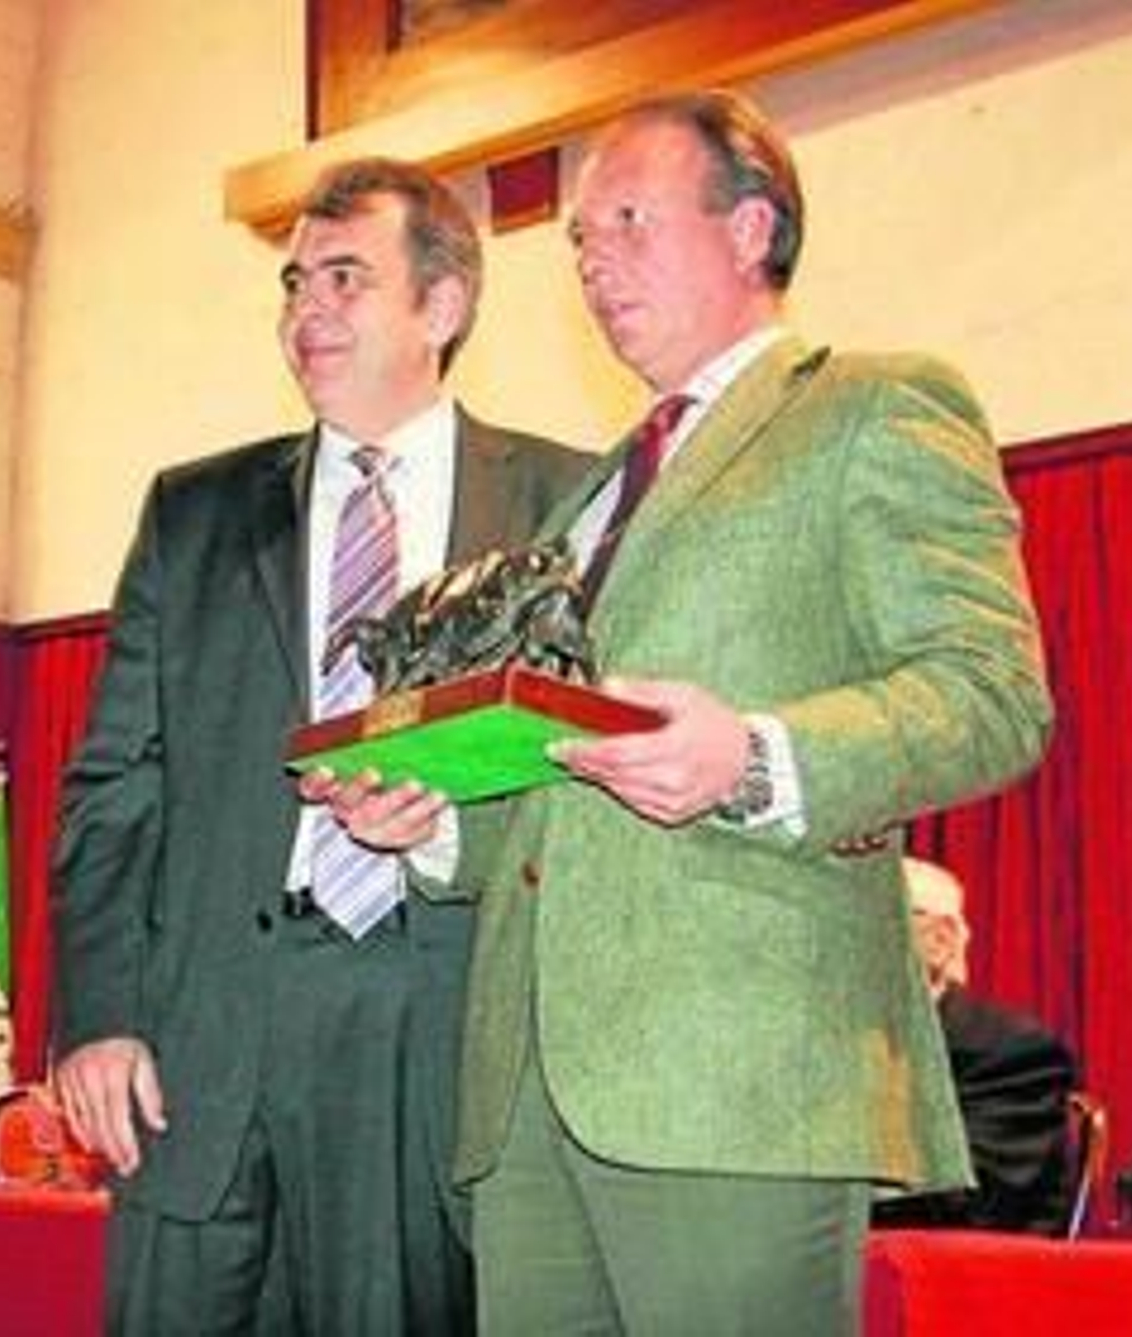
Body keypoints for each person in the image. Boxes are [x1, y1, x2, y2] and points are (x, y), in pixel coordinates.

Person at [313, 90, 1054, 1334]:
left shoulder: (874, 403)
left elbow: (991, 691)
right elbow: (564, 781)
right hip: (529, 1090)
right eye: (581, 242)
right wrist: (431, 827)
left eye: (629, 224)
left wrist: (756, 758)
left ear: (751, 226)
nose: (595, 264)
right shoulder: (589, 496)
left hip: (737, 1074)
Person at [51, 156, 586, 1335]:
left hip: (438, 1012)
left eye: (347, 278)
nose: (306, 312)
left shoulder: (566, 501)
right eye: (296, 284)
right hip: (202, 1034)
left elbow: (582, 779)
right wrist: (98, 1011)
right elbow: (114, 781)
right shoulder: (192, 513)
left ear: (440, 308)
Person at [873, 857, 1078, 1235]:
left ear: (939, 940)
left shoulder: (1012, 1053)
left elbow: (963, 1200)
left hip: (956, 1275)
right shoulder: (823, 1045)